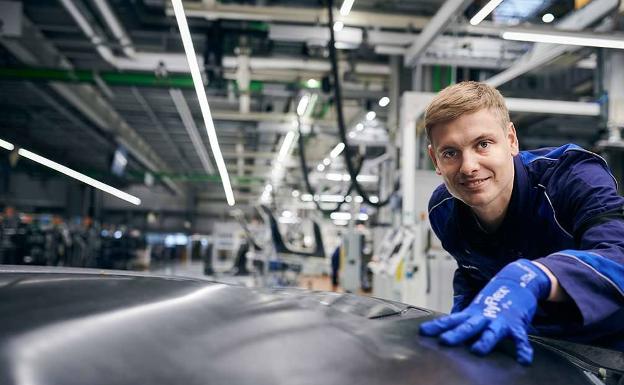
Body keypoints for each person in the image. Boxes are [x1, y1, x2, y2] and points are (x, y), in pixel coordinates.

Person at [418, 81, 624, 365]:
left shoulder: (574, 177)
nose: (468, 166)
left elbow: (619, 254)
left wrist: (534, 276)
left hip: (611, 350)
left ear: (511, 140)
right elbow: (473, 276)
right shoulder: (445, 211)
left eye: (483, 144)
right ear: (435, 160)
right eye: (450, 152)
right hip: (535, 350)